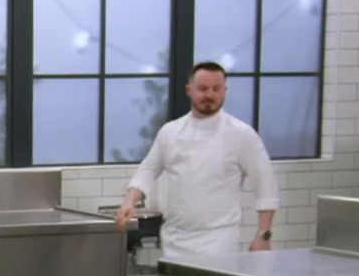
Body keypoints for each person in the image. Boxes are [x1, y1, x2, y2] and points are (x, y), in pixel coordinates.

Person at [114, 61, 280, 256]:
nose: (209, 95)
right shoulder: (170, 132)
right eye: (202, 88)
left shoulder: (242, 135)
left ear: (225, 91)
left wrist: (263, 235)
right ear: (189, 90)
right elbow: (148, 170)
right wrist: (130, 201)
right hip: (175, 239)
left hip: (219, 241)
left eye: (216, 89)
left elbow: (265, 185)